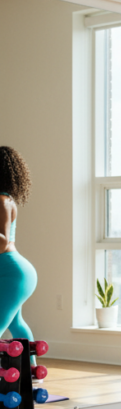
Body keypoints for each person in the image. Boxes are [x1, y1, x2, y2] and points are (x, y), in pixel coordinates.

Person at [0, 147, 38, 371]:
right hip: (11, 271)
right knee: (16, 323)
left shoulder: (3, 200)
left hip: (13, 272)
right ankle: (33, 372)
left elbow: (3, 242)